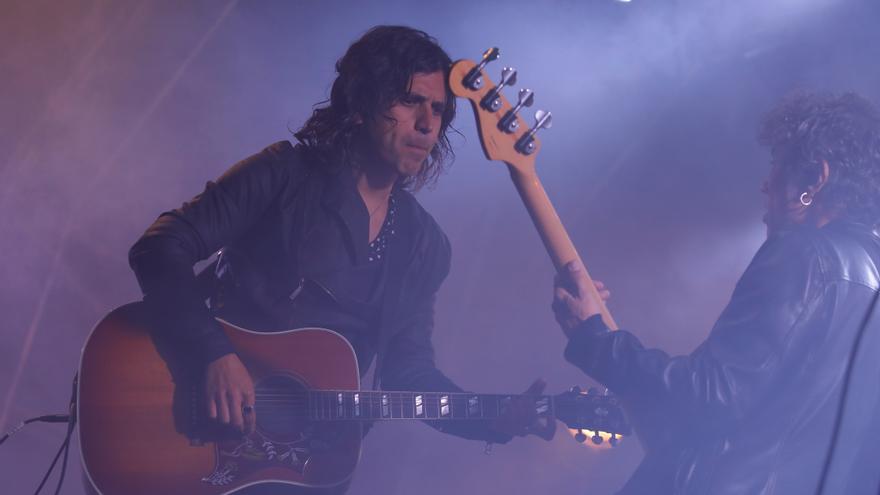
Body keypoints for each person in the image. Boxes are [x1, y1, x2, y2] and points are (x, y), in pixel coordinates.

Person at [129, 25, 545, 493]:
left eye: (439, 111)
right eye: (411, 101)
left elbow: (408, 372)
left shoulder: (424, 245)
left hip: (305, 468)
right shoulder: (286, 174)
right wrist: (213, 353)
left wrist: (493, 419)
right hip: (199, 430)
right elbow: (161, 245)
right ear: (364, 102)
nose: (427, 125)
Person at [552, 92, 880, 494]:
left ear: (814, 178)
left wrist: (595, 340)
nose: (766, 182)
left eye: (777, 164)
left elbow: (712, 394)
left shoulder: (804, 254)